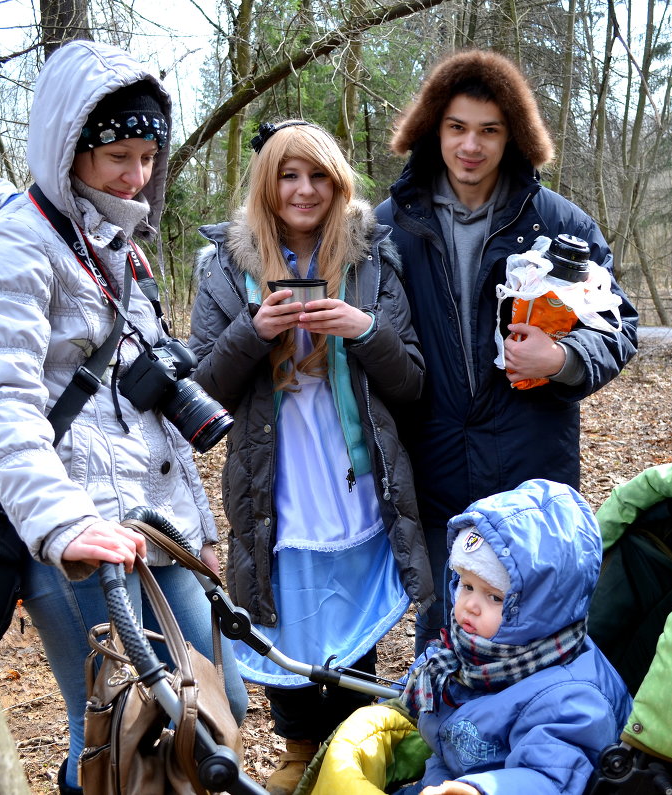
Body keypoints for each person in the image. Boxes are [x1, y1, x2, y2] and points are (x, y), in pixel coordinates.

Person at [0, 41, 247, 795]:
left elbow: (144, 405)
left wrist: (197, 535)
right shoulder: (14, 245)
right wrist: (59, 523)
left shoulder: (117, 244)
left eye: (149, 155)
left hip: (151, 526)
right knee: (129, 737)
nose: (138, 176)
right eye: (119, 154)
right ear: (69, 147)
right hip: (82, 533)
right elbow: (6, 405)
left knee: (219, 709)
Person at [188, 120, 434, 795]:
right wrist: (253, 330)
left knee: (351, 611)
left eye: (318, 176)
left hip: (357, 477)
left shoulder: (371, 260)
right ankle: (299, 745)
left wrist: (366, 330)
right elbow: (199, 391)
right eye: (288, 176)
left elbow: (412, 380)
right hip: (274, 480)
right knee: (287, 611)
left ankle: (351, 749)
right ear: (267, 185)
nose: (303, 190)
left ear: (338, 183)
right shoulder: (222, 268)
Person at [373, 50, 640, 656]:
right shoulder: (390, 226)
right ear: (433, 129)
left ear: (512, 136)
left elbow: (619, 324)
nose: (472, 145)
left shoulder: (557, 224)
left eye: (489, 130)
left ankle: (536, 744)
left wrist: (563, 359)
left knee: (537, 622)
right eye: (458, 128)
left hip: (530, 464)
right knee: (448, 627)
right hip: (434, 461)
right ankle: (447, 742)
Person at [396, 479, 632, 794]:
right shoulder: (476, 651)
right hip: (440, 776)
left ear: (540, 609)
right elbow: (430, 678)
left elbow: (549, 779)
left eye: (494, 597)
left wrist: (479, 790)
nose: (469, 605)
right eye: (466, 585)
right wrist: (392, 707)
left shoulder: (568, 699)